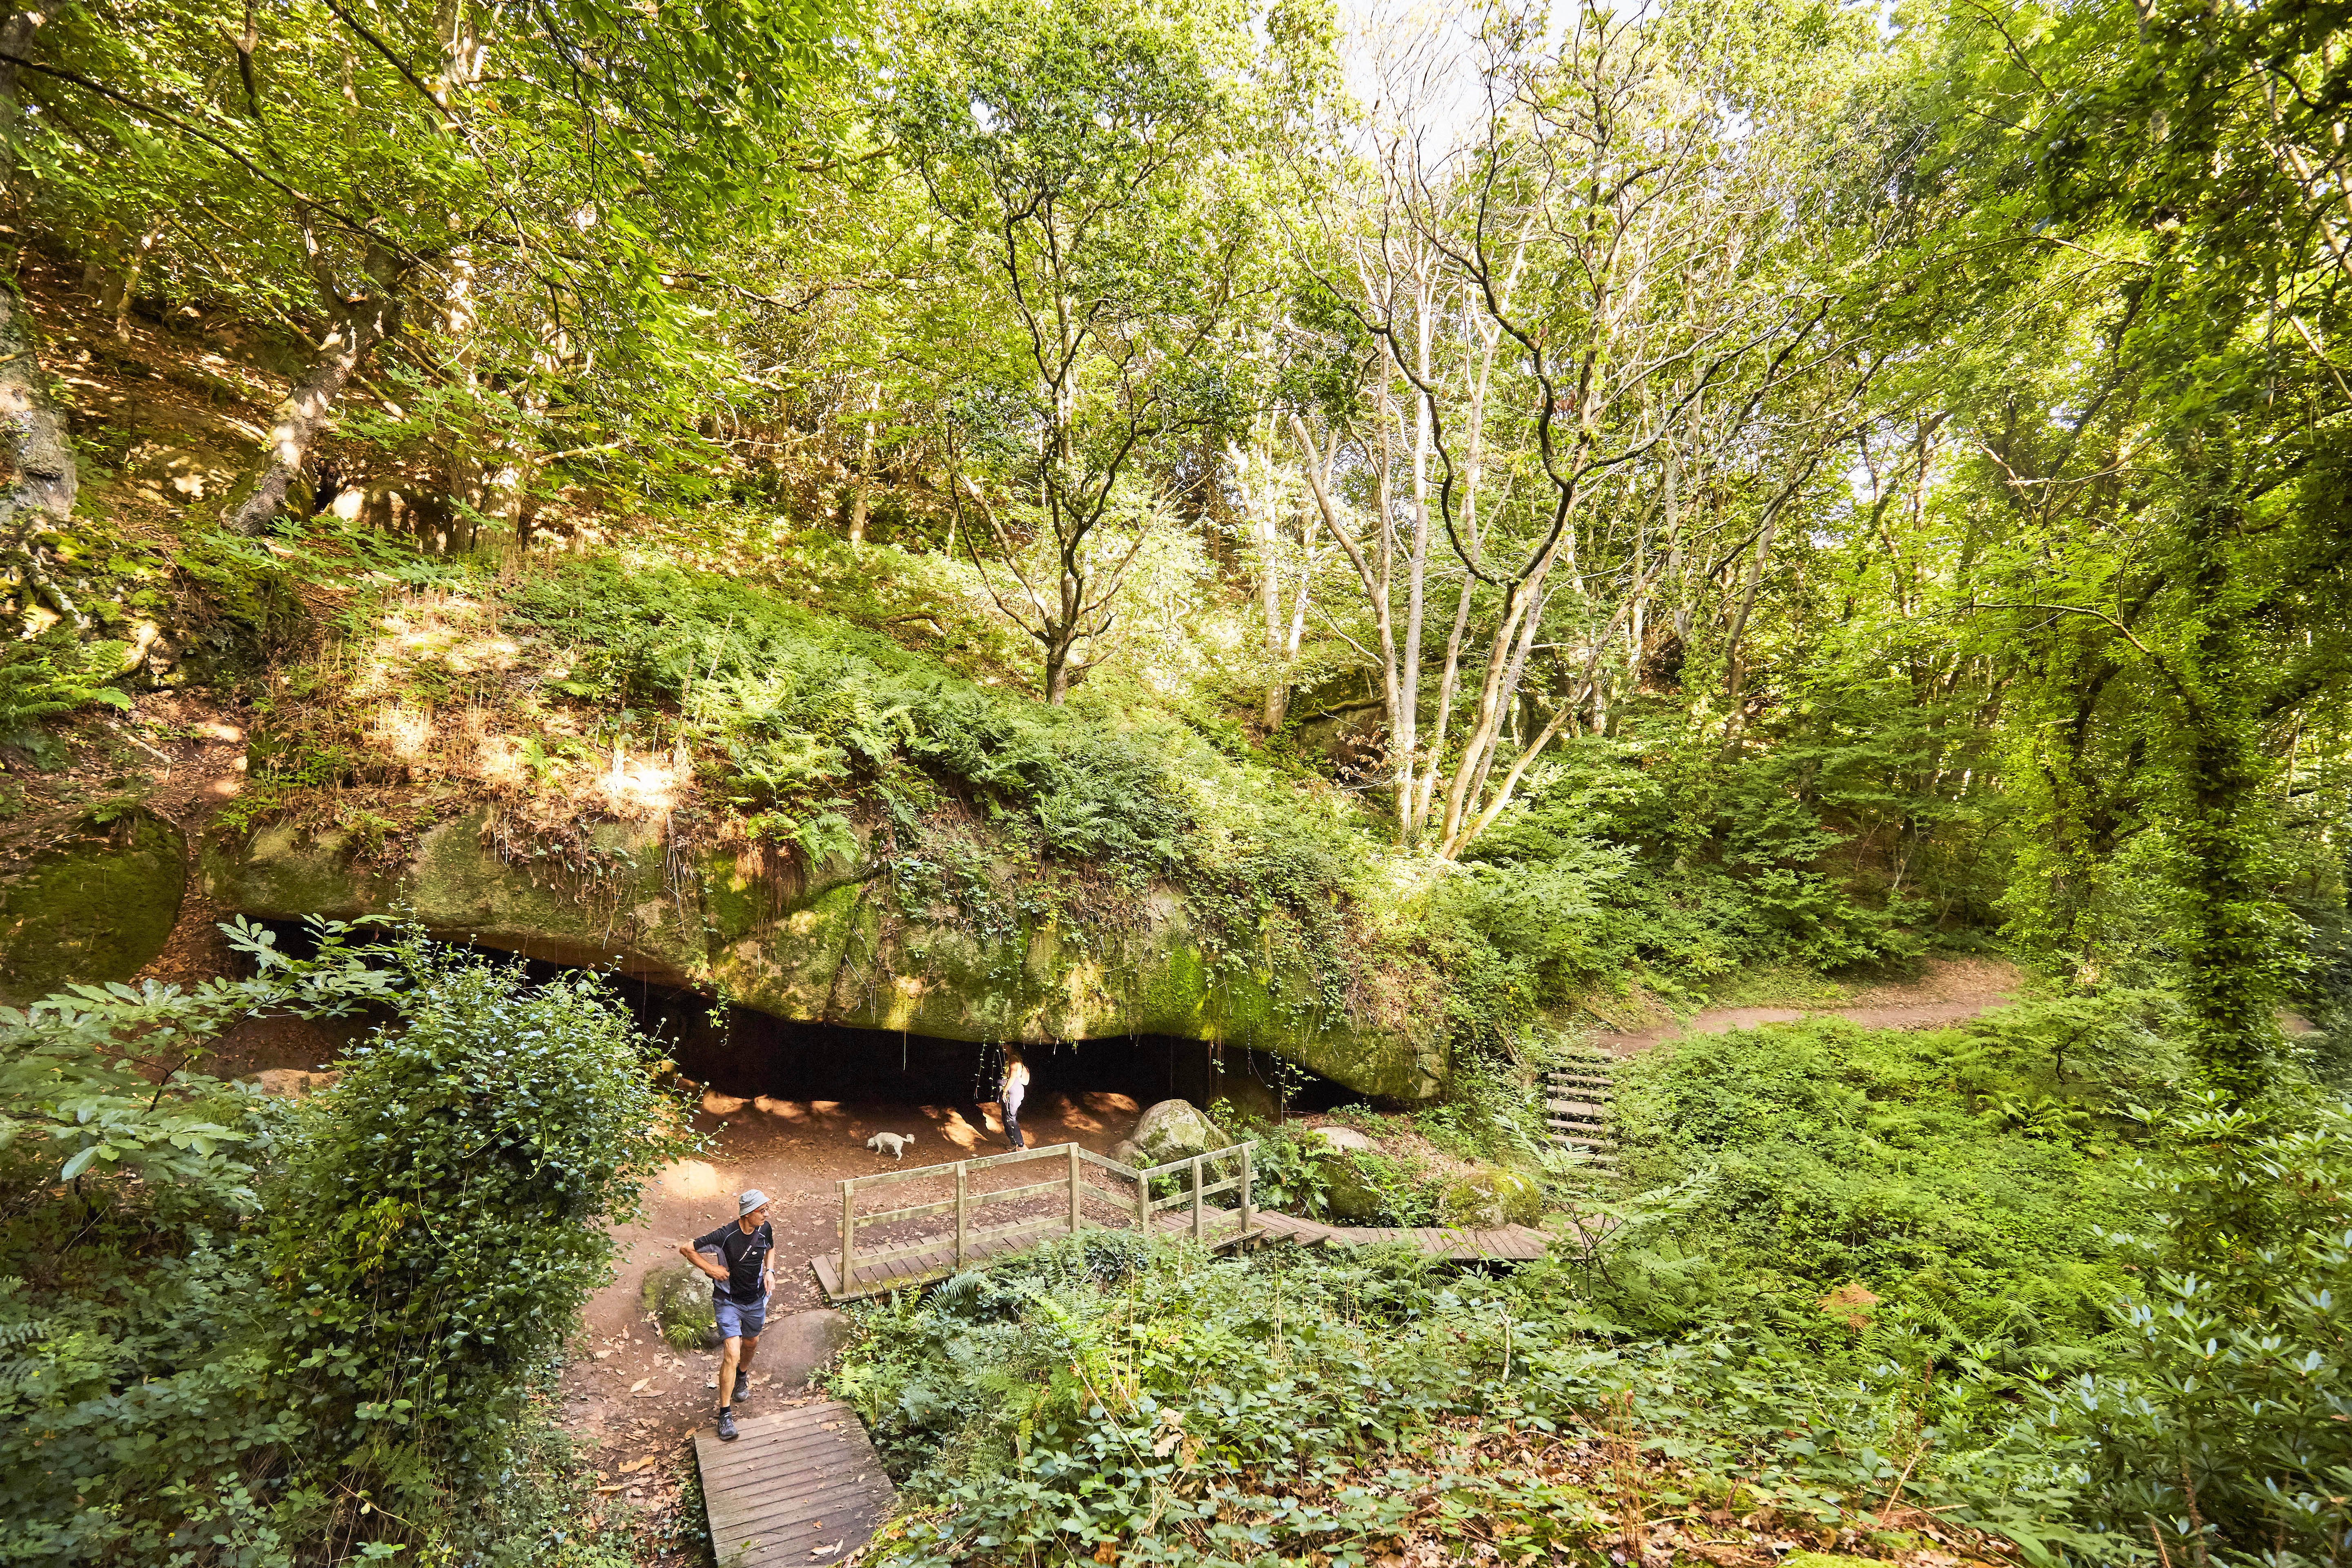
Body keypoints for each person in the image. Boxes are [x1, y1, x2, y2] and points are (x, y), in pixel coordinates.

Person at [679, 1188, 772, 1442]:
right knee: (732, 1351)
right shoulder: (725, 1235)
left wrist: (770, 1271)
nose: (767, 1215)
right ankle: (725, 1414)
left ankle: (742, 1375)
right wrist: (711, 1269)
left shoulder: (765, 1229)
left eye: (767, 1210)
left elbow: (770, 1248)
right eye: (762, 1211)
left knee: (751, 1344)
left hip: (755, 1300)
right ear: (748, 1213)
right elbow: (686, 1249)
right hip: (728, 1301)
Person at [1000, 1050, 1029, 1149]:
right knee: (1007, 1117)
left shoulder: (1013, 1059)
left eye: (1005, 1044)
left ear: (1010, 1046)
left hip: (1013, 1091)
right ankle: (1013, 1142)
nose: (1002, 1046)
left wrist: (1005, 1091)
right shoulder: (1016, 1059)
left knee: (1011, 1117)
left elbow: (1012, 1077)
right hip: (1015, 1090)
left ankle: (1020, 1144)